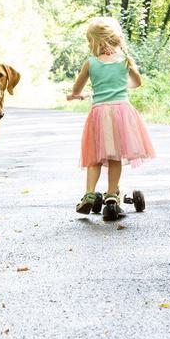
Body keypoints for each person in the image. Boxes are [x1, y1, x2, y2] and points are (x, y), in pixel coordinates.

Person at [66, 17, 155, 221]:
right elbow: (137, 82)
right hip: (122, 112)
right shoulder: (124, 60)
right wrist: (121, 85)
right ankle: (112, 195)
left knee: (94, 156)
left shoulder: (90, 63)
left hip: (99, 112)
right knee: (115, 156)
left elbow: (77, 89)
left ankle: (89, 193)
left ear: (95, 42)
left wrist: (78, 94)